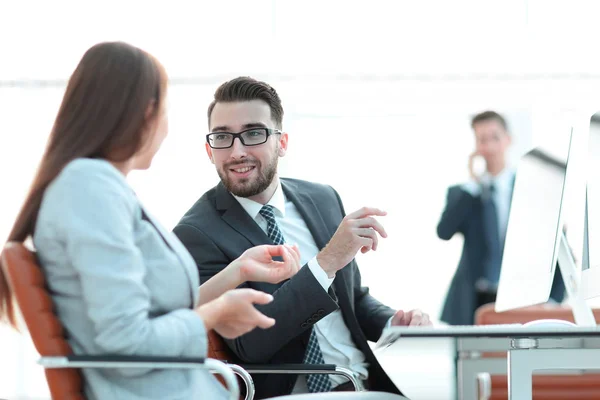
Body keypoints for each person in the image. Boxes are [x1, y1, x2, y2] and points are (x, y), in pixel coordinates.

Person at [0, 42, 302, 400]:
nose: (165, 128)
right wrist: (216, 313)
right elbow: (129, 343)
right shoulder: (89, 190)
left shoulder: (96, 187)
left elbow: (151, 317)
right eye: (166, 111)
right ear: (145, 113)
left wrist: (237, 271)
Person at [173, 76, 429, 399]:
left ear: (282, 142)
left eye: (253, 133)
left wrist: (396, 323)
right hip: (295, 394)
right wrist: (326, 262)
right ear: (209, 150)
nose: (237, 151)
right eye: (223, 137)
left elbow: (353, 299)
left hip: (369, 384)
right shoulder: (196, 233)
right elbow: (250, 343)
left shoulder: (322, 198)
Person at [438, 110, 565, 326]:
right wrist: (473, 183)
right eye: (482, 140)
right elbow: (444, 232)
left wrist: (553, 299)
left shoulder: (532, 190)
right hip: (473, 300)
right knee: (470, 359)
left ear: (508, 139)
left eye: (494, 138)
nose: (489, 147)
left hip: (522, 299)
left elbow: (556, 245)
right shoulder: (465, 193)